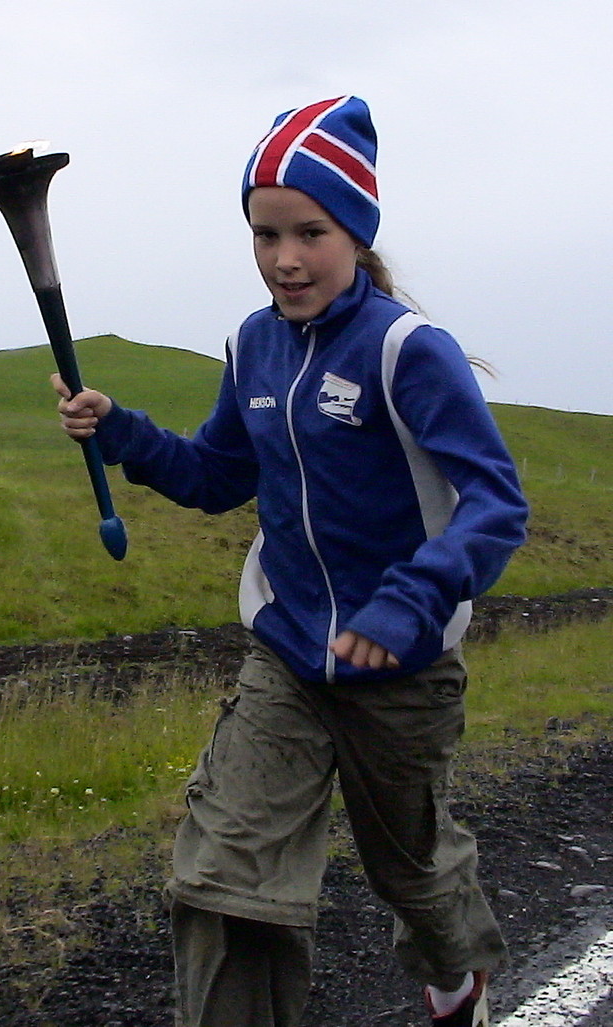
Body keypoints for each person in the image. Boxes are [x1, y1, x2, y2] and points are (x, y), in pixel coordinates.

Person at [53, 95, 528, 1027]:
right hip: (287, 658)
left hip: (404, 667)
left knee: (412, 872)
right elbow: (215, 475)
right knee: (224, 880)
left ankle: (457, 976)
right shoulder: (254, 345)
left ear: (355, 229)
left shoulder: (407, 350)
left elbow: (496, 507)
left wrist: (406, 606)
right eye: (265, 233)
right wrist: (124, 435)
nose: (285, 257)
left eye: (310, 230)